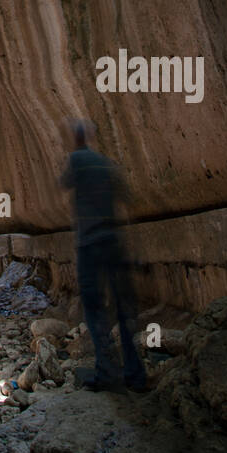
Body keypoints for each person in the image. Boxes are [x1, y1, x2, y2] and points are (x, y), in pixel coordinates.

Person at [60, 122, 146, 392]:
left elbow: (64, 184)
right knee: (123, 308)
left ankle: (106, 371)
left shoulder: (76, 160)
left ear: (76, 138)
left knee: (94, 307)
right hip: (113, 241)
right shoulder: (105, 163)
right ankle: (135, 373)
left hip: (89, 243)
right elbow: (127, 196)